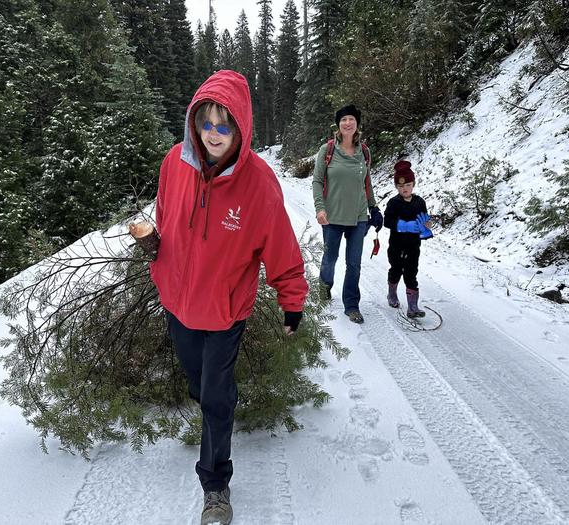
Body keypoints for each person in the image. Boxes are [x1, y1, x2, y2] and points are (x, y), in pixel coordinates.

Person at [149, 70, 308, 525]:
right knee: (200, 387)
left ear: (240, 127)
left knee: (216, 396)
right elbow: (166, 218)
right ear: (194, 122)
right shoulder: (172, 164)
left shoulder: (258, 182)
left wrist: (291, 300)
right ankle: (216, 403)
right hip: (177, 304)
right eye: (206, 123)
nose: (213, 134)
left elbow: (280, 247)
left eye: (224, 124)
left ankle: (215, 484)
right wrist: (156, 252)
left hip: (224, 313)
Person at [312, 104, 383, 324]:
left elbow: (366, 183)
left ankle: (351, 305)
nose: (347, 123)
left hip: (359, 217)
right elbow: (316, 181)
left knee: (354, 264)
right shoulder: (328, 150)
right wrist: (320, 208)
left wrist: (374, 207)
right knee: (330, 259)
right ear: (338, 124)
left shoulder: (365, 152)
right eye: (343, 120)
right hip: (332, 216)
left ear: (357, 124)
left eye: (351, 119)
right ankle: (324, 290)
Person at [383, 160, 433, 318]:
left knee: (411, 273)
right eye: (401, 186)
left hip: (413, 246)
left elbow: (423, 219)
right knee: (396, 270)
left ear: (413, 184)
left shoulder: (420, 202)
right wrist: (403, 226)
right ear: (397, 187)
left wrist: (426, 225)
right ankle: (392, 294)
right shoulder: (393, 203)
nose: (405, 188)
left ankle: (413, 307)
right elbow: (387, 221)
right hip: (396, 245)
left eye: (408, 185)